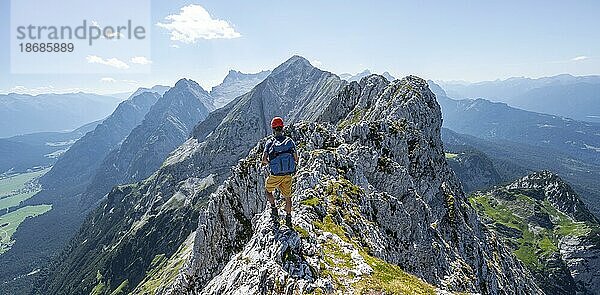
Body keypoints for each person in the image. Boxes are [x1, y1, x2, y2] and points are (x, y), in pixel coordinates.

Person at [262, 117, 298, 228]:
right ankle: (288, 219)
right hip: (288, 175)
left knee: (268, 191)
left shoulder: (270, 142)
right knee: (288, 198)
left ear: (273, 129)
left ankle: (274, 208)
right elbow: (296, 158)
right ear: (282, 128)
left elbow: (263, 159)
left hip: (275, 175)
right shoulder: (290, 141)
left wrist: (270, 163)